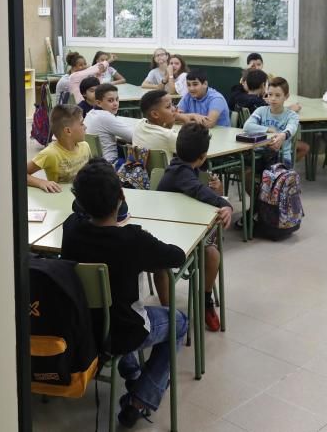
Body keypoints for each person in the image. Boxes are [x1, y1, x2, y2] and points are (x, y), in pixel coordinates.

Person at [61, 159, 188, 428]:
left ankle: (130, 371)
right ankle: (141, 398)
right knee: (179, 322)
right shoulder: (133, 240)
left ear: (80, 202)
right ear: (121, 197)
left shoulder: (71, 229)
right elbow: (175, 256)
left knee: (115, 308)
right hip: (125, 330)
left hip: (83, 328)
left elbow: (76, 213)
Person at [156, 123, 233, 331]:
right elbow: (199, 191)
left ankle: (205, 299)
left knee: (212, 255)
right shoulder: (180, 171)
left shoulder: (189, 166)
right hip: (168, 233)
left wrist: (218, 192)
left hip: (188, 229)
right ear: (203, 155)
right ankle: (168, 314)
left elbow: (201, 192)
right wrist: (225, 204)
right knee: (160, 265)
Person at [242, 77, 301, 195]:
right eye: (270, 94)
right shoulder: (261, 111)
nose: (273, 99)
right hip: (260, 155)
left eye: (278, 95)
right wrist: (268, 129)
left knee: (271, 178)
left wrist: (282, 136)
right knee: (246, 174)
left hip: (282, 158)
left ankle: (267, 207)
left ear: (286, 96)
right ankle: (257, 205)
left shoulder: (291, 115)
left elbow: (291, 129)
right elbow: (247, 126)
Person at [26, 104, 90, 193]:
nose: (85, 127)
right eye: (82, 123)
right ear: (68, 131)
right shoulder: (50, 153)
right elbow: (20, 174)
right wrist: (41, 182)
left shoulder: (85, 146)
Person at [84, 83, 134, 166]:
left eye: (117, 99)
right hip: (112, 164)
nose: (115, 103)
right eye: (110, 100)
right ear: (99, 103)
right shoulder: (105, 116)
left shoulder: (90, 114)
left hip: (95, 164)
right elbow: (132, 136)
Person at [132, 89, 177, 159]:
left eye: (173, 104)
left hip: (142, 169)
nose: (174, 109)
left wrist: (169, 124)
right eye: (168, 107)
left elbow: (160, 133)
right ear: (155, 114)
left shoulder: (139, 125)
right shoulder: (169, 136)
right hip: (167, 170)